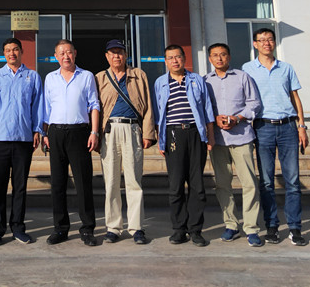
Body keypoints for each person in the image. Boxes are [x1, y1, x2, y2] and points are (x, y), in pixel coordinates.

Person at [242, 28, 309, 247]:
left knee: (292, 181)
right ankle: (271, 226)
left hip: (288, 127)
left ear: (274, 42)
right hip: (263, 127)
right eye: (261, 40)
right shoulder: (247, 69)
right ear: (255, 44)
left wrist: (302, 126)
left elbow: (295, 97)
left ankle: (295, 228)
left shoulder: (286, 68)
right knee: (266, 181)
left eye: (269, 39)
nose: (266, 43)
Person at [0, 37, 43, 246]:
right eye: (8, 50)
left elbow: (38, 106)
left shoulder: (32, 77)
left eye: (15, 49)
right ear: (4, 54)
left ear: (21, 51)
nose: (12, 53)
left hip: (23, 138)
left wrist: (37, 129)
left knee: (20, 186)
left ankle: (18, 227)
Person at [153, 44, 215, 247]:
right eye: (170, 58)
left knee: (197, 185)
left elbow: (207, 109)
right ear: (166, 61)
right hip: (173, 134)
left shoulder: (197, 80)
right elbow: (159, 114)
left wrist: (210, 136)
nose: (175, 61)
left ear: (184, 58)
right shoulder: (160, 82)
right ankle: (179, 229)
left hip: (196, 133)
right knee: (176, 185)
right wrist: (161, 140)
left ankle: (195, 230)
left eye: (178, 57)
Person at [95, 39, 155, 245]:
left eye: (120, 52)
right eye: (112, 53)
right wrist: (95, 134)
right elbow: (94, 107)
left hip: (132, 129)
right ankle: (113, 227)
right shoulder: (100, 77)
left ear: (126, 55)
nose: (116, 56)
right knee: (111, 181)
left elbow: (148, 105)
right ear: (106, 56)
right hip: (109, 130)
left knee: (134, 181)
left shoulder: (138, 75)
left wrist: (148, 133)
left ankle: (136, 227)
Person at [204, 43, 263, 247]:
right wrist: (215, 118)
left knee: (249, 183)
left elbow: (254, 103)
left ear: (229, 57)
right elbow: (203, 106)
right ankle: (231, 225)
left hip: (241, 138)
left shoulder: (242, 77)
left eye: (223, 55)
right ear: (210, 59)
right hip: (218, 139)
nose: (219, 58)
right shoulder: (205, 81)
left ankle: (251, 228)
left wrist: (237, 118)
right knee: (222, 184)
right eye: (215, 55)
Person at [42, 39, 100, 247]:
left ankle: (87, 229)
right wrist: (45, 133)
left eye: (69, 52)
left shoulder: (86, 76)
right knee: (58, 183)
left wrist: (94, 132)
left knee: (83, 182)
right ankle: (60, 228)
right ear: (55, 56)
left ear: (75, 53)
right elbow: (46, 108)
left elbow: (94, 104)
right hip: (56, 133)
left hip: (79, 132)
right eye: (61, 53)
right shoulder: (50, 78)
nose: (65, 56)